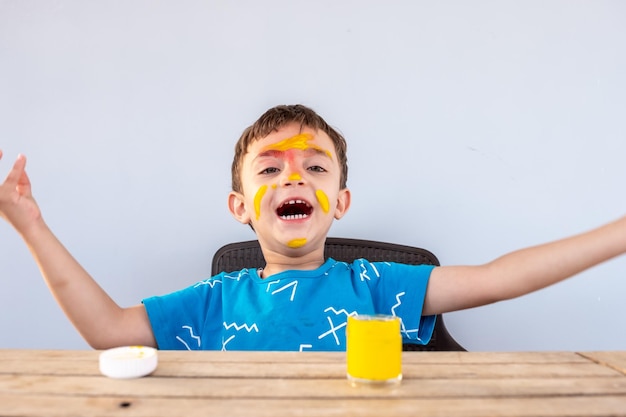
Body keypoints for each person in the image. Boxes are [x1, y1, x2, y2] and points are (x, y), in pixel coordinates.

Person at [1, 104, 625, 351]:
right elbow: (109, 330)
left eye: (314, 166)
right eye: (270, 167)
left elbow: (498, 279)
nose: (293, 178)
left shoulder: (379, 287)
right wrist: (31, 227)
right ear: (240, 206)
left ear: (340, 201)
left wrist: (616, 234)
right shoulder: (215, 303)